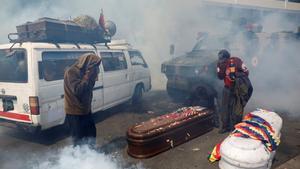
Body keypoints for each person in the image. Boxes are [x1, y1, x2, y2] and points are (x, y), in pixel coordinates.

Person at [64, 53, 101, 146]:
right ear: (87, 63)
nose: (95, 69)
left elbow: (88, 89)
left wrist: (92, 77)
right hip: (74, 112)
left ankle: (91, 154)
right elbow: (77, 91)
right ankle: (79, 158)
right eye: (94, 66)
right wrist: (87, 77)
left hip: (86, 110)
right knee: (78, 138)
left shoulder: (87, 71)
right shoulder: (71, 72)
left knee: (91, 134)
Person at [217, 49, 253, 134]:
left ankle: (236, 127)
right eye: (221, 60)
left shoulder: (236, 61)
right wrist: (220, 69)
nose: (223, 62)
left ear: (227, 57)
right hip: (227, 88)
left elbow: (246, 71)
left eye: (224, 60)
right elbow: (220, 77)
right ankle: (225, 126)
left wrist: (237, 77)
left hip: (237, 89)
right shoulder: (220, 64)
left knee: (237, 108)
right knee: (225, 108)